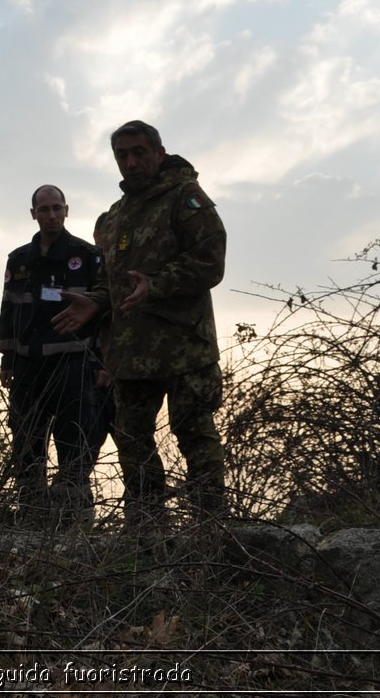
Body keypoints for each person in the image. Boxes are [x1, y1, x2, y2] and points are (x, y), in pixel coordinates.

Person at [54, 121, 228, 528]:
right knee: (131, 441)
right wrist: (95, 302)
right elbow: (110, 281)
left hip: (185, 347)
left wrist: (159, 285)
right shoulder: (115, 217)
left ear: (158, 152)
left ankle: (212, 532)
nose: (130, 162)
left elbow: (211, 259)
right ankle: (148, 531)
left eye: (138, 152)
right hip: (131, 355)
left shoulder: (185, 197)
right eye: (122, 155)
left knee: (196, 437)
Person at [0, 185, 112, 525]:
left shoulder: (88, 256)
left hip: (72, 362)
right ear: (33, 213)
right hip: (28, 365)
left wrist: (102, 362)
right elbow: (8, 310)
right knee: (26, 439)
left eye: (56, 208)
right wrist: (7, 359)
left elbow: (104, 312)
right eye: (44, 209)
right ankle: (32, 514)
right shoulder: (19, 259)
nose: (51, 215)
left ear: (67, 210)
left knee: (74, 440)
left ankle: (75, 518)